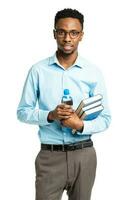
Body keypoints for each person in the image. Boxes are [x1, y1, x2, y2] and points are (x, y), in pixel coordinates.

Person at [17, 8, 111, 200]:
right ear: (54, 34)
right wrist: (50, 115)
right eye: (62, 32)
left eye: (74, 33)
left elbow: (106, 118)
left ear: (81, 36)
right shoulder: (38, 70)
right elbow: (23, 112)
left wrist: (81, 125)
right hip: (50, 157)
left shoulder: (93, 72)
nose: (67, 38)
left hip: (84, 155)